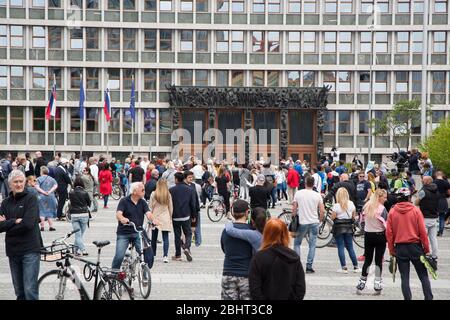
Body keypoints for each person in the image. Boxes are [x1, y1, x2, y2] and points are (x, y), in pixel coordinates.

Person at [386, 188, 433, 300]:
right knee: (423, 275)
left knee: (404, 277)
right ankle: (428, 297)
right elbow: (423, 232)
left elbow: (389, 234)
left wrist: (391, 250)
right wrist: (426, 249)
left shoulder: (392, 212)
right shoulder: (415, 211)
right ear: (408, 198)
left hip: (400, 247)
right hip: (415, 246)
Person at [0, 170, 41, 300]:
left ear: (25, 182)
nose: (18, 184)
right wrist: (14, 221)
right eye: (15, 182)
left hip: (30, 249)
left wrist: (7, 224)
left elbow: (28, 224)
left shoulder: (31, 199)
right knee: (19, 291)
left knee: (30, 290)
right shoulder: (5, 203)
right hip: (13, 251)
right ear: (10, 184)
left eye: (21, 181)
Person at [249, 218, 306, 300]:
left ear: (266, 234)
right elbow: (300, 288)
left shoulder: (258, 257)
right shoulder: (293, 256)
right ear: (285, 234)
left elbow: (254, 289)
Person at [111, 182, 157, 270]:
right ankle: (114, 274)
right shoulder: (124, 201)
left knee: (146, 253)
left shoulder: (142, 202)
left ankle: (145, 272)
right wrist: (122, 219)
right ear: (135, 192)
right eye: (142, 190)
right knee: (119, 256)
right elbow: (118, 214)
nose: (144, 191)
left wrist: (153, 219)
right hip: (124, 232)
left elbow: (148, 213)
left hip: (138, 232)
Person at [356, 189, 388, 295]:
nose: (386, 199)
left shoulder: (366, 206)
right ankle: (377, 284)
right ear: (379, 197)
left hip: (368, 235)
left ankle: (361, 283)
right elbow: (386, 225)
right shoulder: (382, 209)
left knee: (367, 261)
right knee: (378, 261)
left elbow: (361, 221)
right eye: (384, 197)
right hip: (380, 236)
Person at [220, 200, 254, 300]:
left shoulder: (226, 231)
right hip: (246, 274)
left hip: (228, 272)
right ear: (247, 212)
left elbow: (224, 249)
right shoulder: (252, 231)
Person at [292, 176, 325, 273]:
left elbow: (294, 209)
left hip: (302, 222)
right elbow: (322, 210)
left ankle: (297, 265)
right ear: (313, 184)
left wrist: (293, 217)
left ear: (305, 182)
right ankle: (309, 266)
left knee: (297, 243)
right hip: (314, 221)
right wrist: (320, 220)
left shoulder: (298, 193)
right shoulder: (317, 195)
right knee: (312, 245)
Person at [169, 172, 197, 262]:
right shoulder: (190, 189)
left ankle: (178, 255)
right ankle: (186, 247)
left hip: (175, 216)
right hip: (186, 215)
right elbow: (192, 204)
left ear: (176, 179)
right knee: (188, 233)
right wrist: (194, 215)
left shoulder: (171, 190)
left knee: (177, 235)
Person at [331, 188, 360, 273]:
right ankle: (356, 266)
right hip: (348, 228)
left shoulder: (336, 206)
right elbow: (353, 217)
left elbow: (333, 217)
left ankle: (344, 267)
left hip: (338, 228)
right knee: (350, 247)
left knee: (340, 247)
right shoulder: (351, 204)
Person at [415, 176, 439, 260]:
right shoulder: (436, 190)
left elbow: (416, 203)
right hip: (434, 217)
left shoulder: (423, 191)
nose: (422, 180)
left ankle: (423, 253)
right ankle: (434, 255)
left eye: (423, 179)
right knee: (433, 238)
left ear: (427, 181)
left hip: (425, 217)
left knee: (423, 237)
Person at [149, 179, 173, 263]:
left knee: (154, 238)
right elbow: (171, 207)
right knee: (165, 238)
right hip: (165, 216)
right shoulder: (168, 194)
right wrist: (170, 217)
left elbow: (150, 207)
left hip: (155, 217)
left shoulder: (153, 194)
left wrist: (150, 218)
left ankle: (153, 254)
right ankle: (165, 256)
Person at [68, 178, 91, 256]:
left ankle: (75, 250)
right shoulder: (85, 193)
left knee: (78, 235)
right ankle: (83, 250)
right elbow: (89, 203)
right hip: (84, 214)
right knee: (80, 235)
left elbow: (70, 202)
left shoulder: (71, 193)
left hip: (74, 215)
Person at [35, 166, 58, 231]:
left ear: (41, 172)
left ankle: (42, 226)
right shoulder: (52, 179)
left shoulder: (38, 179)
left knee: (42, 210)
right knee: (50, 210)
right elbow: (55, 185)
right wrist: (50, 191)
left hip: (41, 196)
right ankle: (51, 226)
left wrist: (43, 192)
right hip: (50, 196)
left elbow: (36, 187)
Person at [434, 171, 450, 236]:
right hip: (443, 200)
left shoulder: (433, 182)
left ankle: (432, 231)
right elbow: (449, 192)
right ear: (442, 175)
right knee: (442, 216)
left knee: (433, 216)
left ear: (436, 175)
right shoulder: (446, 182)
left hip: (434, 200)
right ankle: (440, 232)